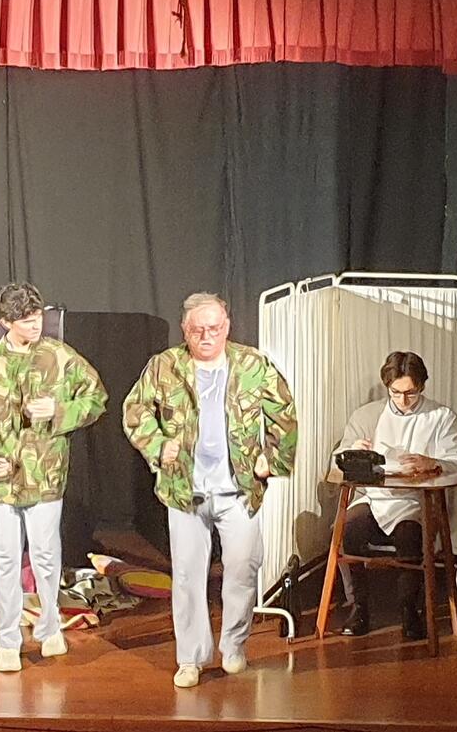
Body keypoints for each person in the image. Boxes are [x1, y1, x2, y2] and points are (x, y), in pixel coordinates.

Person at [122, 292, 297, 688]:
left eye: (214, 329)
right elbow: (135, 411)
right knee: (187, 575)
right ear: (185, 330)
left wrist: (273, 459)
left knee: (243, 566)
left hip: (238, 489)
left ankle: (233, 645)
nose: (207, 337)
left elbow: (284, 413)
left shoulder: (252, 364)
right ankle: (191, 658)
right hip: (185, 490)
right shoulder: (165, 366)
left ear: (227, 327)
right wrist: (157, 444)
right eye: (198, 330)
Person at [0, 282, 107, 672]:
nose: (36, 325)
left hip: (45, 477)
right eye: (26, 320)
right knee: (5, 560)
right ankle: (7, 640)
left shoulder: (60, 356)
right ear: (4, 322)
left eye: (38, 316)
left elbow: (97, 398)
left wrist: (59, 411)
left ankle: (49, 629)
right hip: (2, 481)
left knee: (46, 556)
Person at [334, 351, 457, 639]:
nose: (403, 400)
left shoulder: (440, 417)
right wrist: (353, 452)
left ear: (422, 386)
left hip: (415, 501)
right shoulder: (367, 415)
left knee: (411, 535)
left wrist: (434, 463)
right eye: (395, 393)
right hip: (375, 497)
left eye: (410, 393)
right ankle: (359, 606)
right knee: (348, 528)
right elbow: (337, 461)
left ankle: (410, 609)